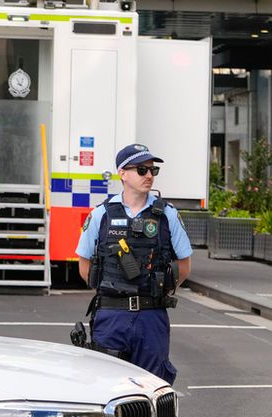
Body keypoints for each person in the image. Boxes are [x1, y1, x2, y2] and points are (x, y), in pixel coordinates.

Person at [75, 143, 193, 385]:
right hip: (111, 316)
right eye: (142, 169)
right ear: (122, 173)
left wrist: (160, 290)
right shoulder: (101, 215)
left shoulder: (167, 215)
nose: (149, 175)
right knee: (106, 386)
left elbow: (184, 264)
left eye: (152, 170)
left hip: (151, 316)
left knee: (153, 386)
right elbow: (84, 264)